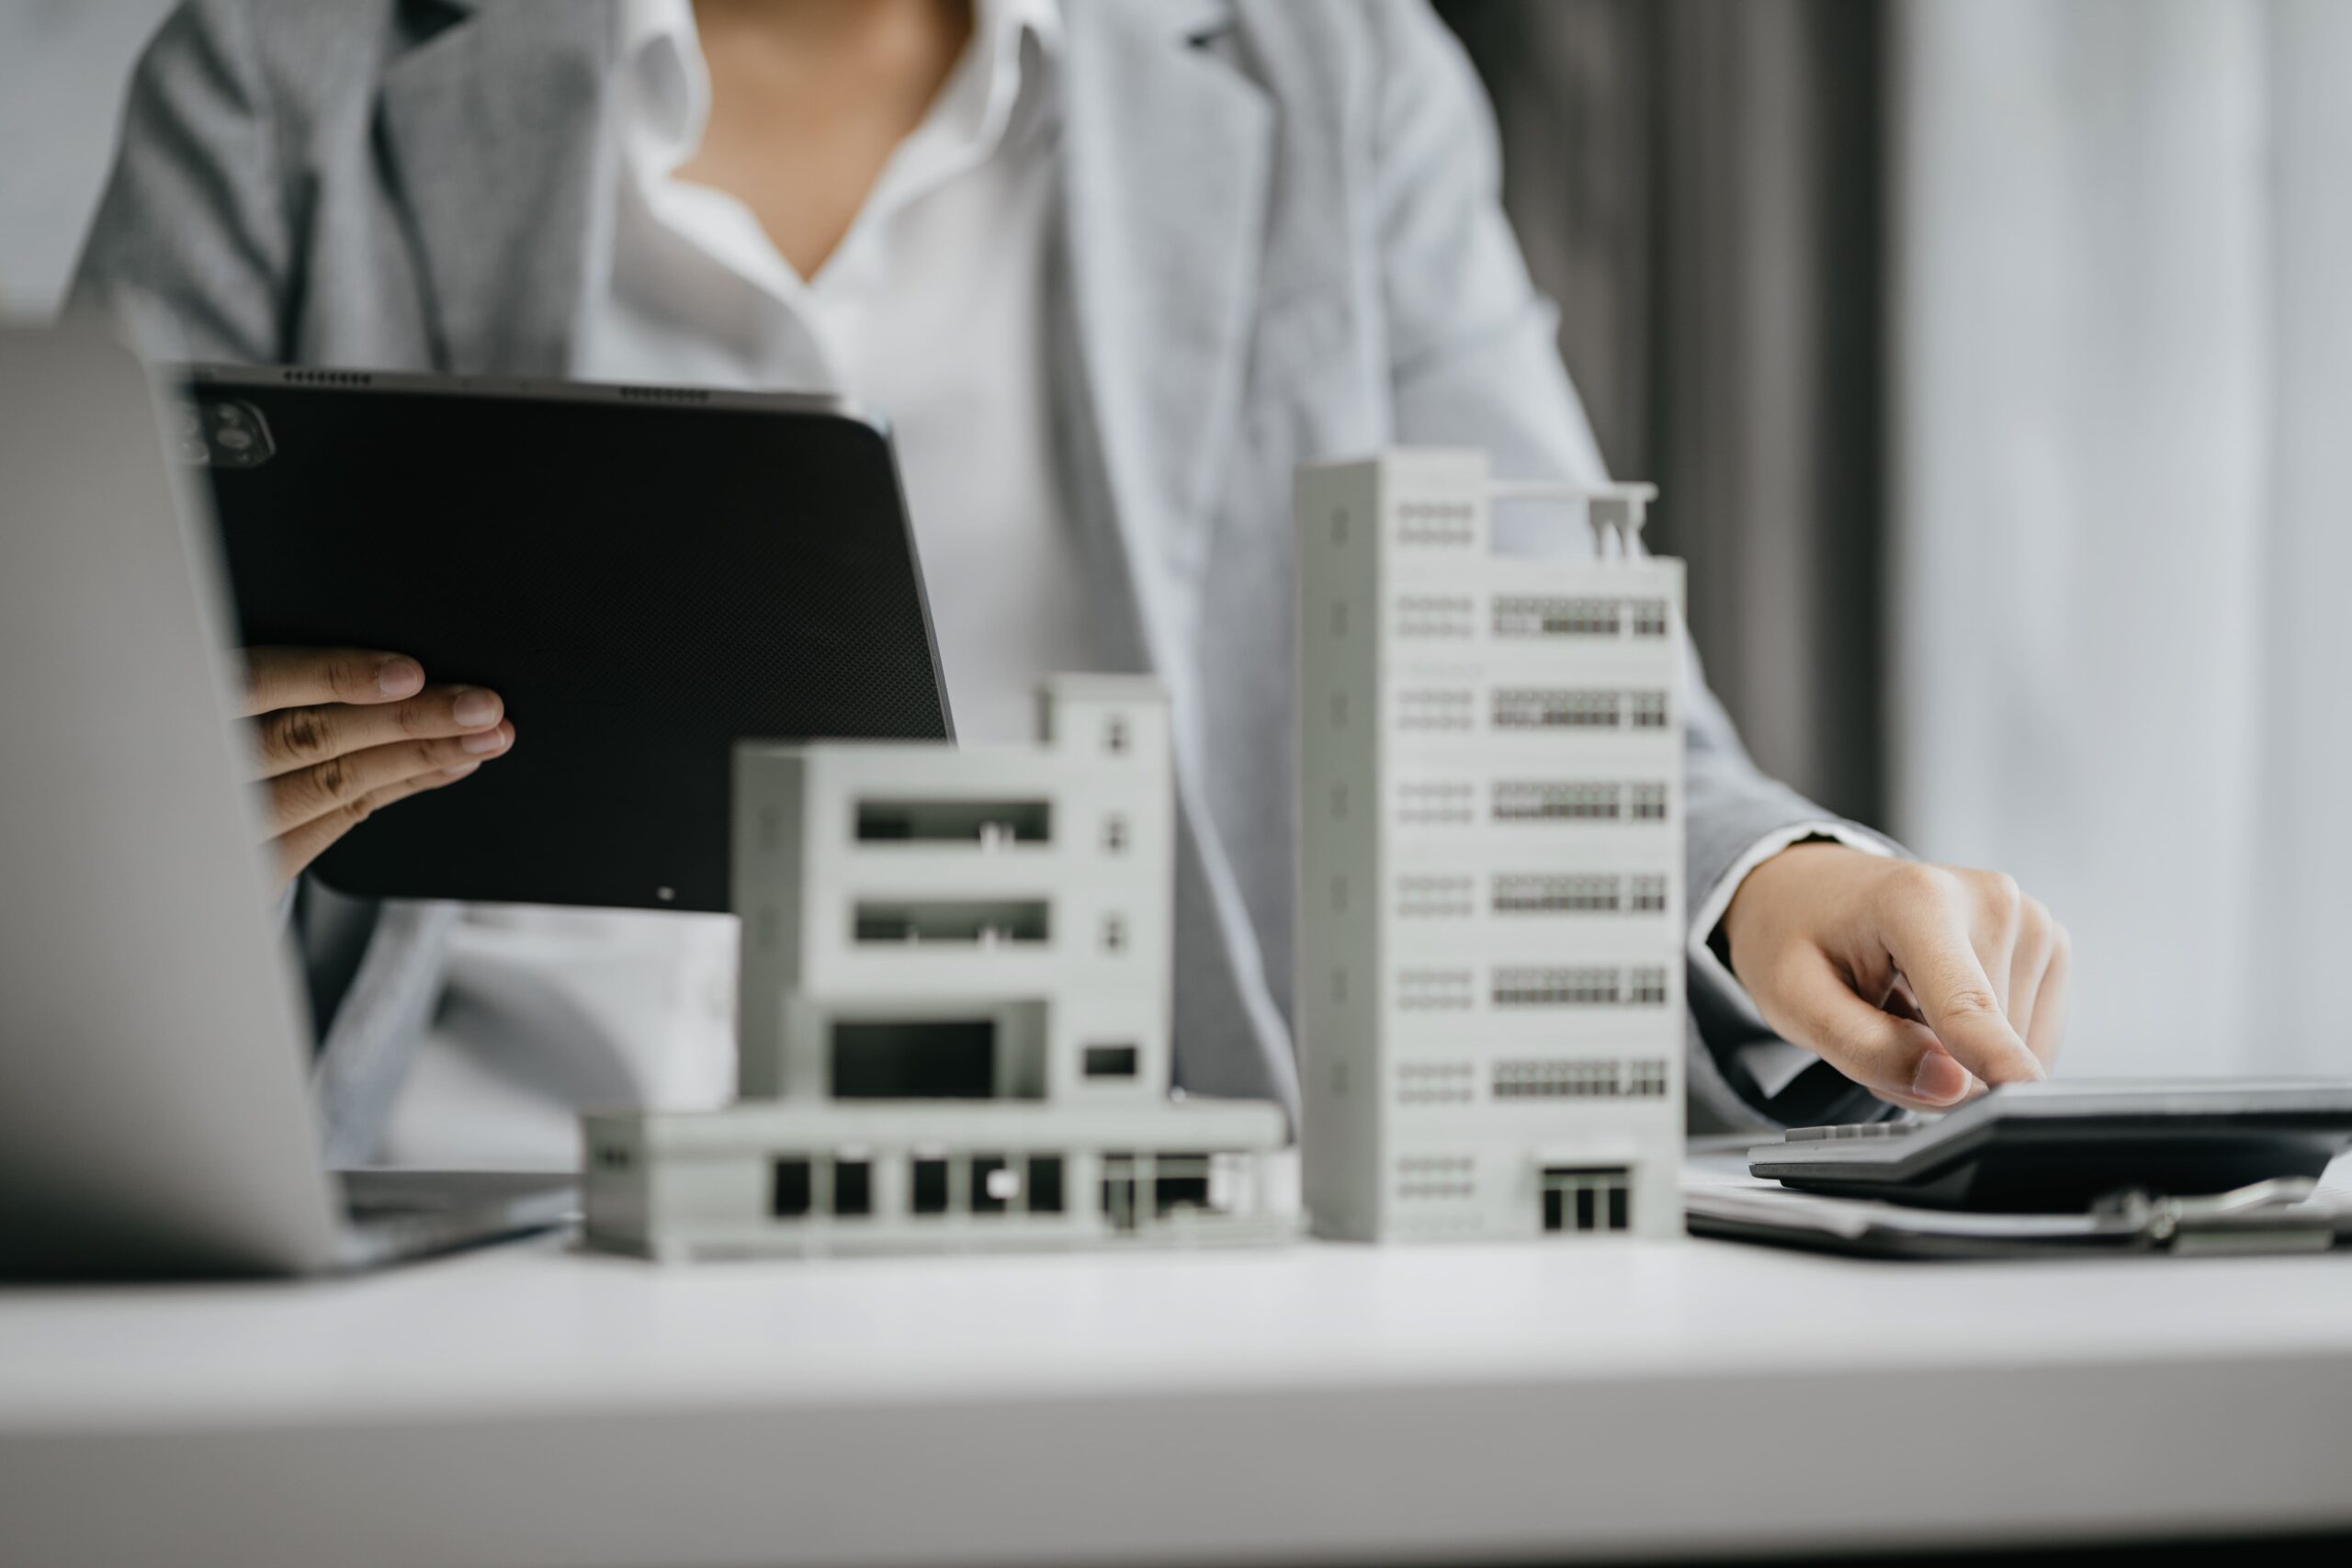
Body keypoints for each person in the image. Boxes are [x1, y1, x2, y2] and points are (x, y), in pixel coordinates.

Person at [73, 0, 2068, 1161]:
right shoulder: (283, 69)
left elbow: (1552, 674)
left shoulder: (1325, 73)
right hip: (445, 1214)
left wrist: (1768, 883)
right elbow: (60, 724)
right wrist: (138, 834)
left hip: (1125, 1249)